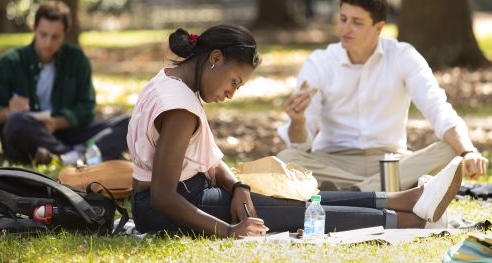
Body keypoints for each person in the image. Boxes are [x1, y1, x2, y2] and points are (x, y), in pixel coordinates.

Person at [127, 24, 464, 238]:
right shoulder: (180, 108)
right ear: (215, 58)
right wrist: (230, 230)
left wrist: (240, 186)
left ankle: (406, 199)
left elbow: (211, 163)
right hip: (170, 207)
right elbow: (163, 196)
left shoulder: (171, 84)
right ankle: (416, 222)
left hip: (190, 192)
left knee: (300, 196)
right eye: (234, 82)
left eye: (238, 87)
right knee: (298, 210)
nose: (231, 93)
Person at [277, 0, 489, 192]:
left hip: (391, 161)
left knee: (453, 151)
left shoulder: (402, 56)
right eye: (343, 19)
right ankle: (381, 189)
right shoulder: (319, 62)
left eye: (356, 22)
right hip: (334, 161)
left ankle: (354, 192)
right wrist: (297, 122)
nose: (345, 28)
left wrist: (468, 151)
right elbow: (300, 146)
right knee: (286, 160)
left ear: (378, 27)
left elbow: (438, 108)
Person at [0, 0, 129, 165]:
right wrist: (8, 111)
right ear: (34, 29)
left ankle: (68, 156)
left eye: (55, 37)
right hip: (29, 134)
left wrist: (56, 123)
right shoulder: (8, 63)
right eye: (43, 34)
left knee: (129, 123)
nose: (48, 43)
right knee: (16, 123)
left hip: (68, 132)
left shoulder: (76, 59)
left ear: (65, 34)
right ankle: (79, 155)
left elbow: (87, 108)